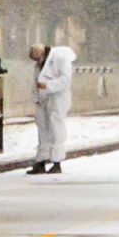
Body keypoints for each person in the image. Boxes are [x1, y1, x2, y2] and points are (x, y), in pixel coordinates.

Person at [29, 40, 76, 174]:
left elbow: (66, 80)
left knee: (56, 129)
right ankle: (41, 161)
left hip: (57, 99)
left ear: (42, 53)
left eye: (37, 59)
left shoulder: (60, 58)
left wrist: (48, 86)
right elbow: (35, 82)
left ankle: (57, 162)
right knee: (42, 129)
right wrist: (36, 98)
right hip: (43, 100)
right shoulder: (40, 64)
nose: (37, 62)